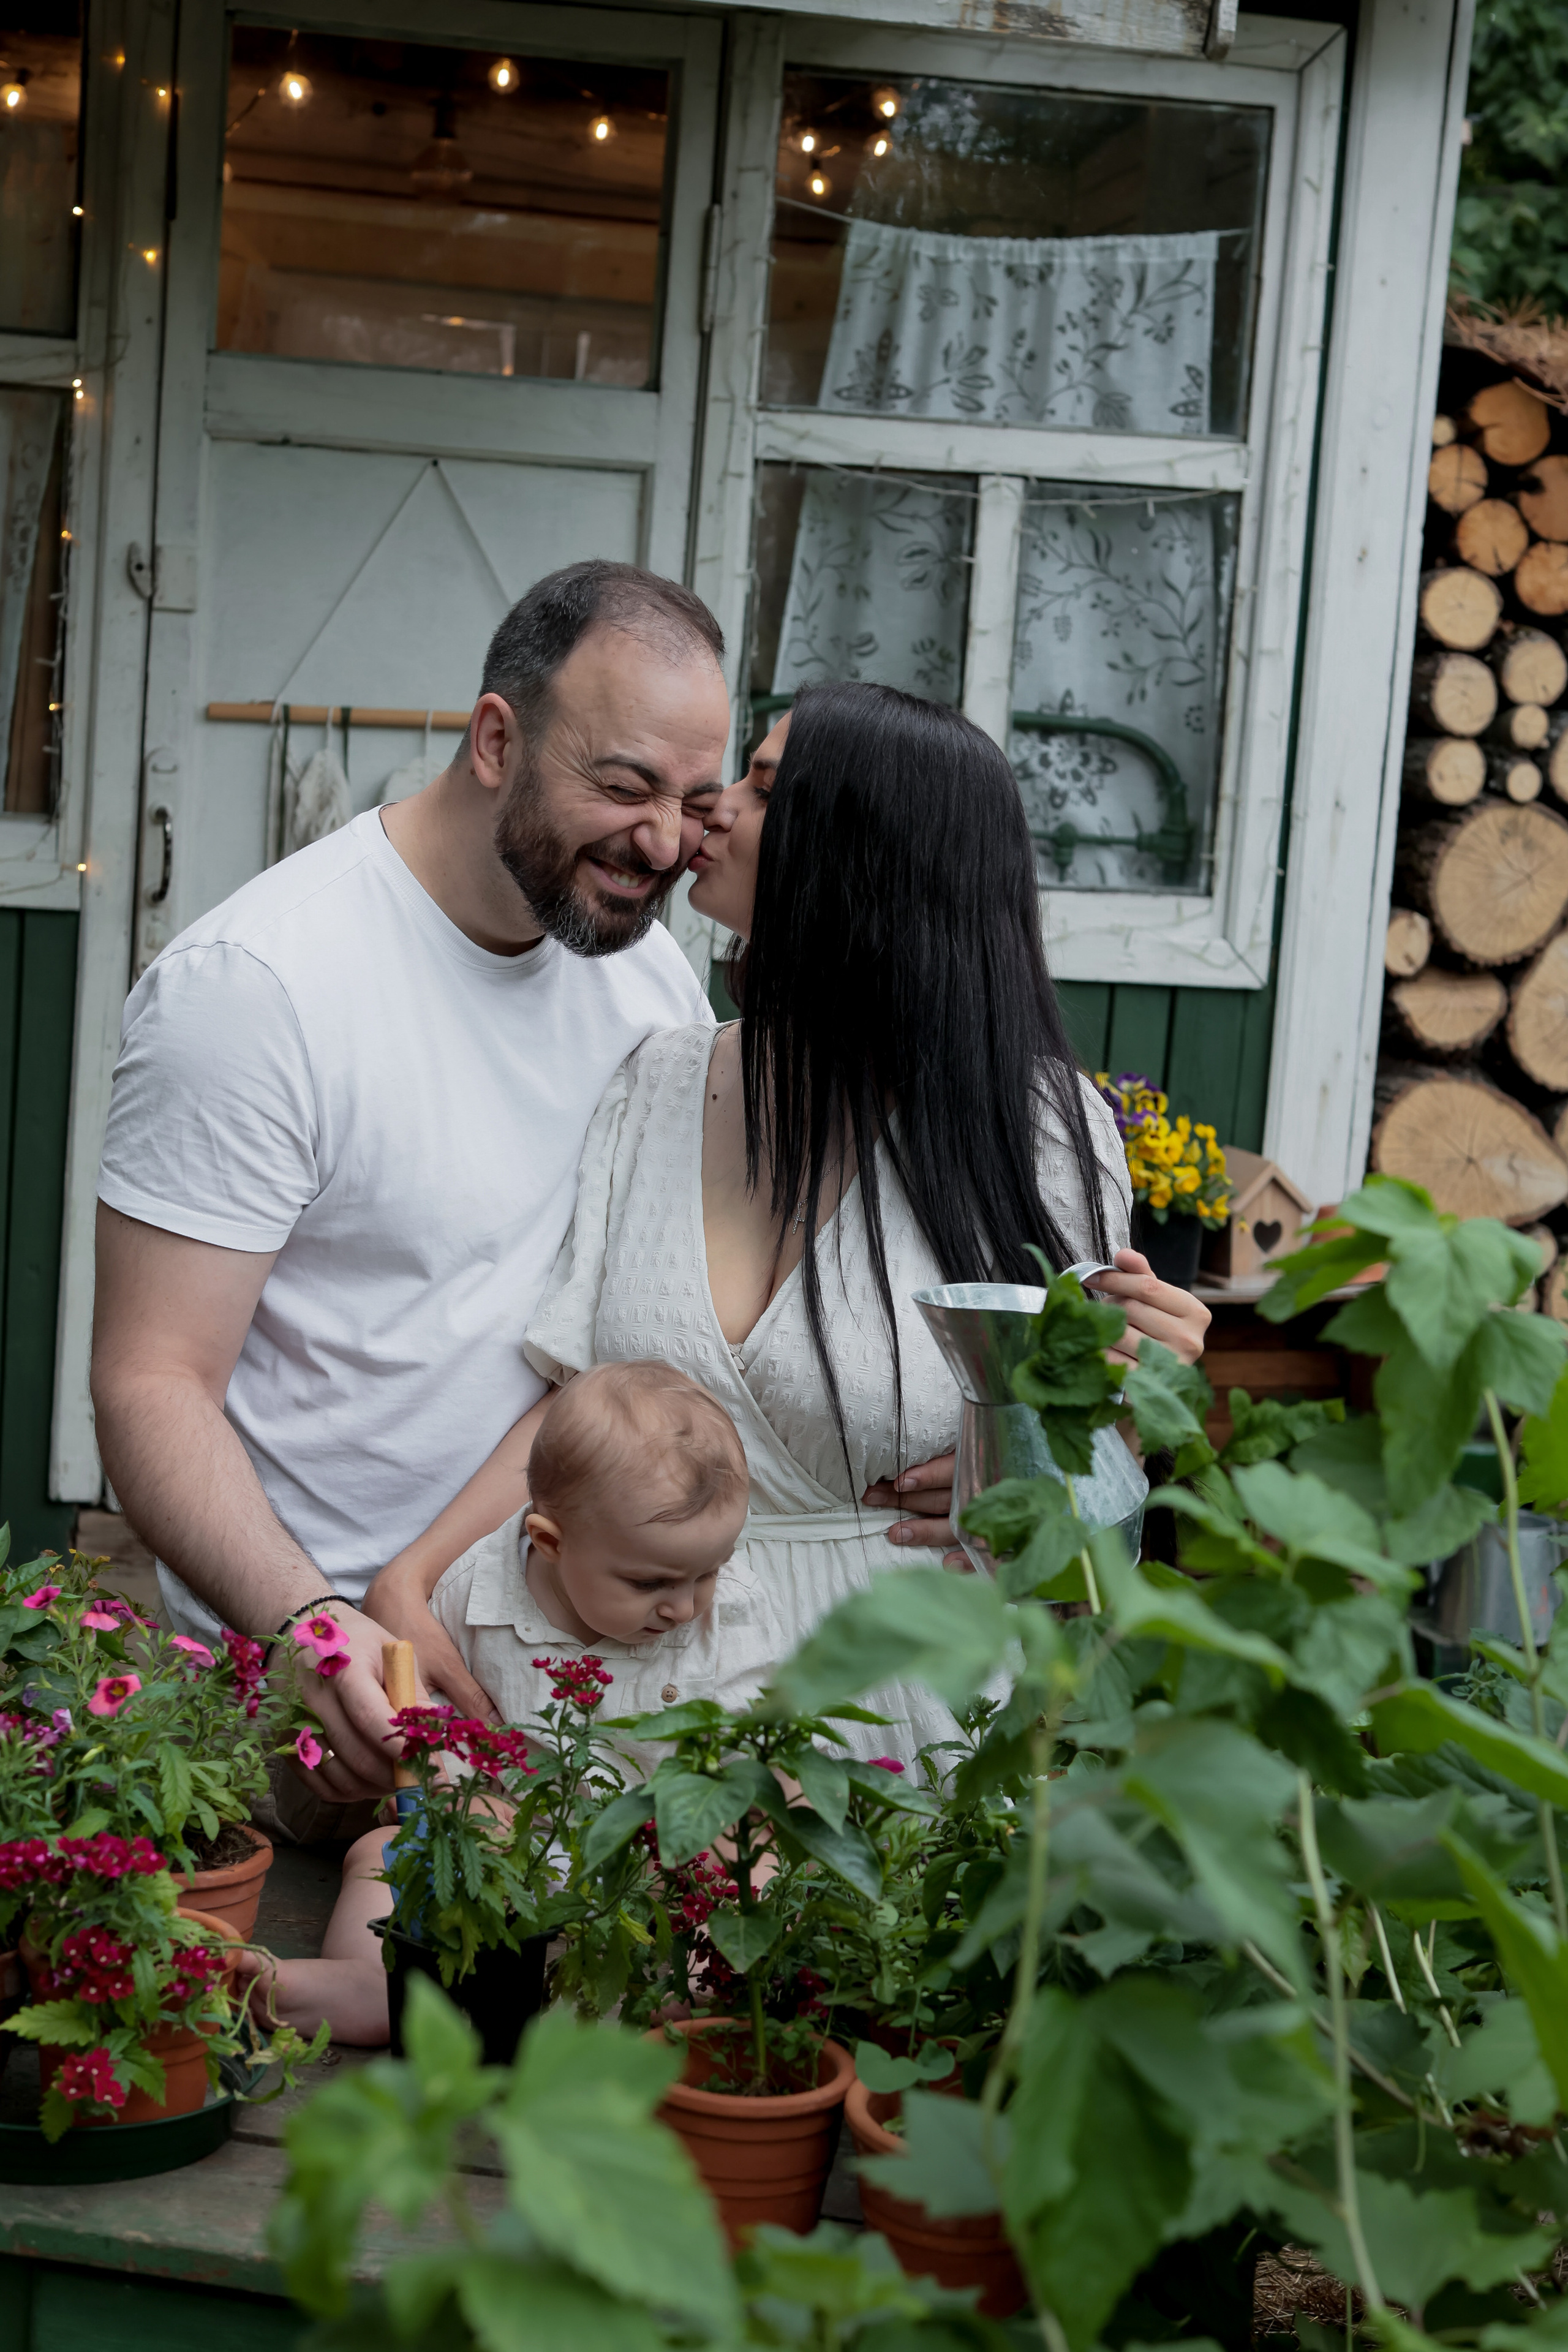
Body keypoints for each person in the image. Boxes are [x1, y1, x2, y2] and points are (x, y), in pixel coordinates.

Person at [368, 684, 1211, 1736]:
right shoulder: (660, 1082)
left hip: (897, 1704)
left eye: (764, 790)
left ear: (864, 851)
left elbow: (1073, 1485)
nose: (712, 806)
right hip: (634, 1698)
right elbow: (579, 1401)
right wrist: (410, 1578)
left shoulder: (1033, 1127)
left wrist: (1108, 1423)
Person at [89, 562, 737, 1812]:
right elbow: (148, 1382)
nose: (662, 842)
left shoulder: (649, 984)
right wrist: (315, 1629)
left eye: (693, 800)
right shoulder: (255, 988)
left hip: (569, 1637)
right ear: (497, 738)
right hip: (324, 1671)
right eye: (622, 786)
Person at [242, 1361, 753, 2045]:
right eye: (650, 1581)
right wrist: (456, 1796)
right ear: (549, 1541)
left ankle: (681, 1993)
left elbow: (757, 1735)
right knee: (382, 1853)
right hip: (506, 1861)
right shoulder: (473, 1598)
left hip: (646, 1866)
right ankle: (373, 1982)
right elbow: (428, 1730)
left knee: (748, 1869)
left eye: (708, 1573)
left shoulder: (733, 1616)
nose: (685, 1605)